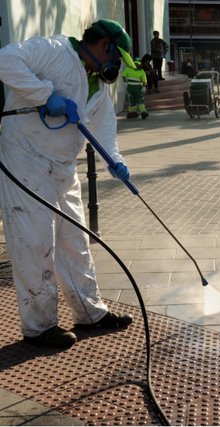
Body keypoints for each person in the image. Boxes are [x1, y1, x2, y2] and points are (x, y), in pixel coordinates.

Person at [0, 19, 135, 348]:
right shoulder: (55, 51)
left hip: (62, 167)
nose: (116, 67)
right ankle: (40, 327)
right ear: (105, 46)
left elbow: (104, 133)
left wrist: (114, 161)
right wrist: (45, 95)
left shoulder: (98, 88)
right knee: (35, 242)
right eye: (117, 59)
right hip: (25, 160)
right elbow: (5, 59)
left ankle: (90, 313)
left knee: (75, 239)